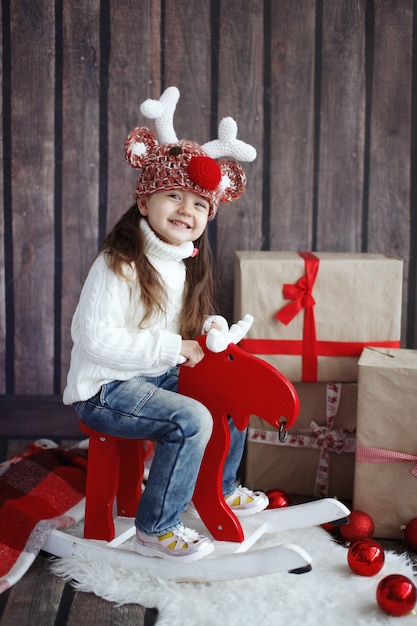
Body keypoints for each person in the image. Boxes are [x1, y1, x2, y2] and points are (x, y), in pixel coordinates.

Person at [63, 87, 268, 563]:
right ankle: (155, 527)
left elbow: (180, 331)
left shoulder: (181, 263)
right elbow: (94, 339)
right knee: (191, 417)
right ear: (145, 202)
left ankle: (221, 486)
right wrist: (173, 349)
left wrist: (207, 333)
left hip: (148, 376)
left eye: (199, 204)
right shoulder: (119, 263)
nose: (186, 210)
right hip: (106, 389)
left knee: (227, 388)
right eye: (174, 195)